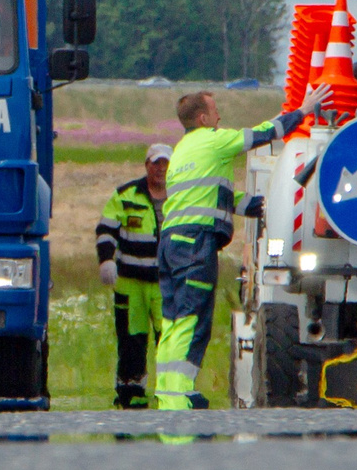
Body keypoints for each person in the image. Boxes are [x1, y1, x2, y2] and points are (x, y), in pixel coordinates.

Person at [154, 86, 327, 410]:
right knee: (193, 318)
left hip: (171, 243)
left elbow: (220, 198)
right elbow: (263, 134)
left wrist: (261, 204)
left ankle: (167, 390)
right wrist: (303, 111)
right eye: (215, 110)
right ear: (203, 117)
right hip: (195, 242)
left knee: (173, 318)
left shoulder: (183, 151)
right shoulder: (214, 140)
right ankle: (180, 391)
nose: (220, 116)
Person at [96, 144, 170, 407]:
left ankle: (171, 392)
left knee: (171, 339)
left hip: (166, 284)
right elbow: (106, 229)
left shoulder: (182, 196)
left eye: (165, 164)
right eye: (156, 163)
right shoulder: (126, 195)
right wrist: (106, 260)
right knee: (131, 340)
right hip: (130, 283)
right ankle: (130, 393)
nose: (160, 169)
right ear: (146, 165)